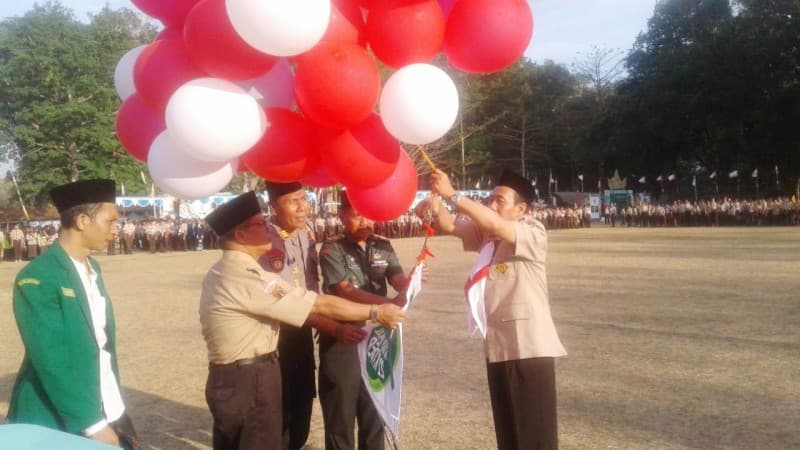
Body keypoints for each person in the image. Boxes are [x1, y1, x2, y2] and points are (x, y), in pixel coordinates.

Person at [199, 191, 406, 450]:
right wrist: (376, 312)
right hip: (246, 379)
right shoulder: (245, 276)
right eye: (261, 224)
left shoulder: (232, 269)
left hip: (248, 374)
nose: (268, 228)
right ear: (240, 235)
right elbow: (318, 302)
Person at [416, 169, 567, 450]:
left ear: (521, 209)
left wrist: (452, 194)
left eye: (500, 200)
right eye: (490, 199)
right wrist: (436, 206)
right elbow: (451, 226)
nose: (491, 205)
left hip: (528, 349)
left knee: (534, 438)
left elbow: (496, 226)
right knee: (509, 435)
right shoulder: (489, 235)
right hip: (498, 346)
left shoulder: (532, 231)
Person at [7, 179, 140, 449]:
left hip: (104, 403)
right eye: (110, 221)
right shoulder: (38, 276)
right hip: (55, 418)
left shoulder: (93, 268)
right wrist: (92, 424)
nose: (116, 230)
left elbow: (100, 346)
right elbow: (52, 359)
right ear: (82, 220)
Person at [261, 182, 369, 450]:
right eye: (292, 201)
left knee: (301, 411)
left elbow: (311, 288)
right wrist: (334, 327)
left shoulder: (304, 234)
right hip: (278, 337)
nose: (302, 206)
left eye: (304, 198)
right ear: (274, 207)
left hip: (303, 334)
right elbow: (288, 302)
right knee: (281, 417)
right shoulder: (268, 242)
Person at [318, 192, 413, 450]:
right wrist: (387, 305)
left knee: (375, 415)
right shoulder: (331, 248)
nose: (365, 221)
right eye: (358, 214)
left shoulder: (382, 244)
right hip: (344, 338)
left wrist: (410, 284)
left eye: (370, 213)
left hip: (377, 338)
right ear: (342, 215)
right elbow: (345, 291)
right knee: (341, 418)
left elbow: (396, 278)